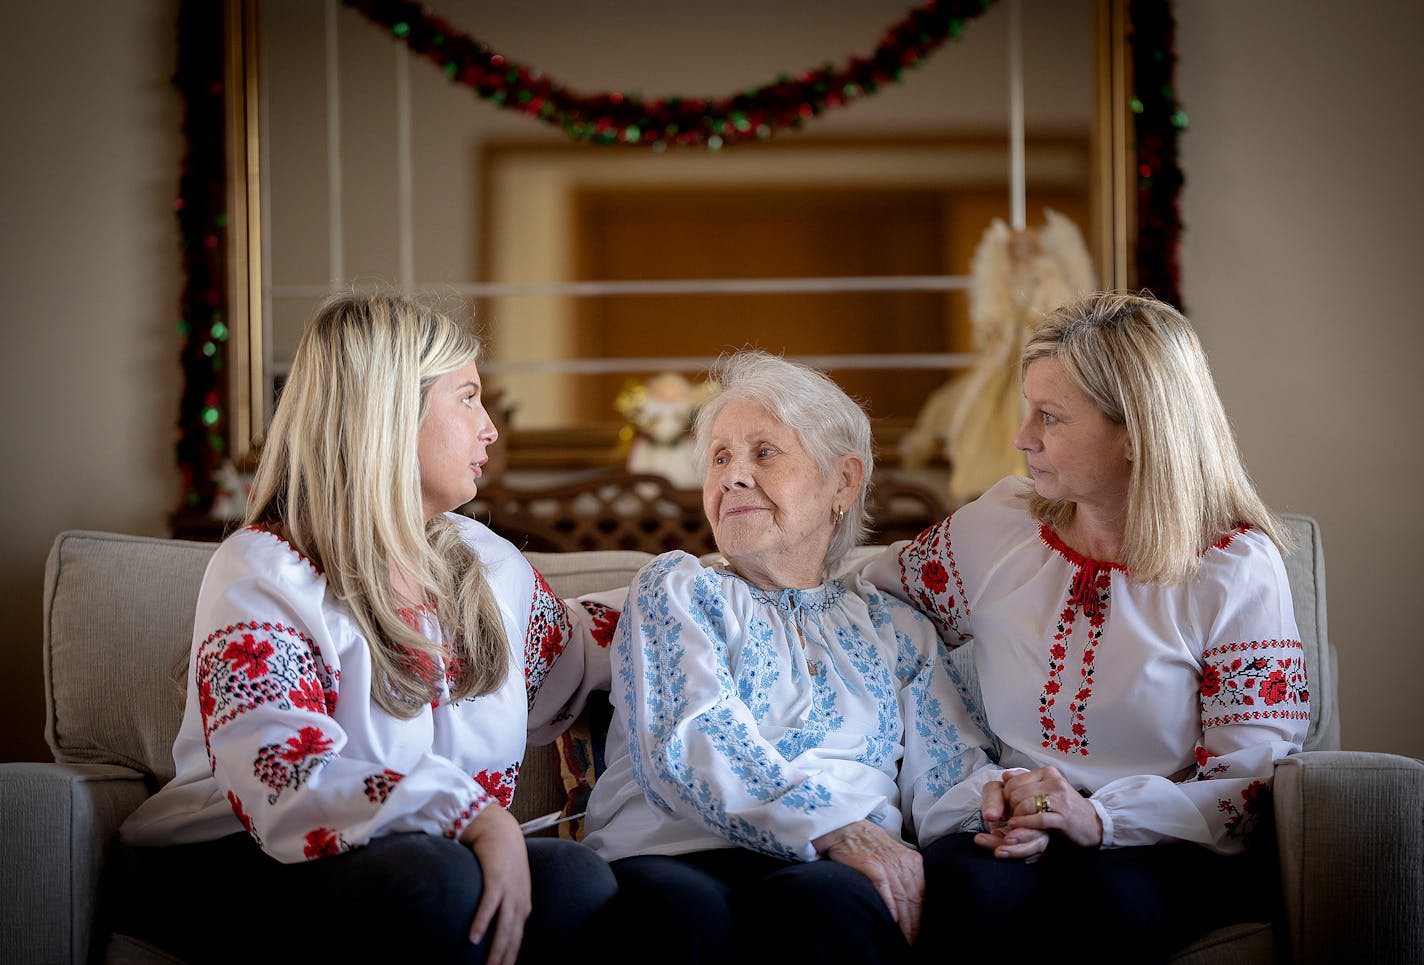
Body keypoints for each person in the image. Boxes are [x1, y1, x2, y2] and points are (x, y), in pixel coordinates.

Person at [119, 292, 618, 965]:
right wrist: (469, 813)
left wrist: (702, 592)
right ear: (390, 414)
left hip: (431, 853)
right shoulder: (264, 571)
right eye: (467, 397)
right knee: (433, 879)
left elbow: (583, 656)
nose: (490, 428)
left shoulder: (488, 566)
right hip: (248, 862)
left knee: (577, 880)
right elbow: (281, 774)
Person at [857, 291, 1308, 963]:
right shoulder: (1001, 527)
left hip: (1162, 843)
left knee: (1107, 907)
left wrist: (1100, 818)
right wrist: (707, 580)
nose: (1022, 437)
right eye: (1027, 409)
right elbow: (859, 592)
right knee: (965, 889)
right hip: (1010, 823)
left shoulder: (1234, 570)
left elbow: (1249, 783)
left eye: (1051, 416)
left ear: (1135, 433)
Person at [581, 349, 993, 964]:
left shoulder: (897, 627)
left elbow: (948, 777)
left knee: (830, 909)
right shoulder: (678, 590)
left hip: (836, 869)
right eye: (720, 458)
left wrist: (1010, 805)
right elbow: (690, 740)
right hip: (674, 853)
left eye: (764, 452)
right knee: (677, 918)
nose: (732, 476)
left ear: (843, 483)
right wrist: (836, 827)